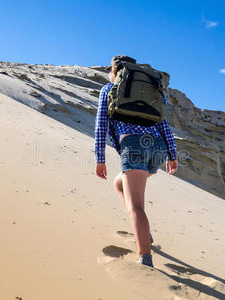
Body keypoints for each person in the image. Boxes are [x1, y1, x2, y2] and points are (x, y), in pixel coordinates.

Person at [94, 55, 178, 268]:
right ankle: (143, 231)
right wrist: (172, 155)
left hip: (134, 147)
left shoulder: (108, 90)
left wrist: (100, 159)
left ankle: (145, 258)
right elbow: (163, 124)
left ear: (115, 71)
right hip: (157, 148)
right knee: (119, 184)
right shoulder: (150, 91)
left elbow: (101, 126)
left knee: (136, 206)